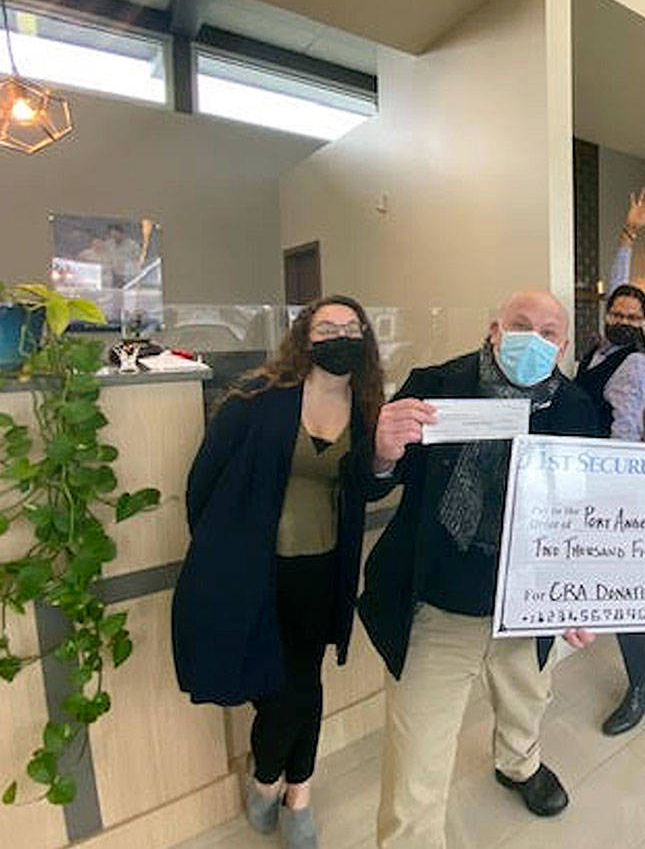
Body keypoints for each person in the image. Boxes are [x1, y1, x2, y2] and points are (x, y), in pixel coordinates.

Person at [361, 290, 599, 849]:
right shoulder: (436, 385)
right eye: (521, 326)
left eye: (548, 332)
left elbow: (584, 514)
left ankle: (518, 766)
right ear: (494, 330)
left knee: (528, 701)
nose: (534, 340)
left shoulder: (575, 410)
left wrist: (579, 596)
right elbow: (375, 484)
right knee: (414, 769)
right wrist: (379, 451)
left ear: (563, 346)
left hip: (525, 603)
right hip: (438, 604)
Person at [172, 296, 385, 849]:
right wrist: (222, 550)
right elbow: (203, 482)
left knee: (302, 681)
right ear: (303, 336)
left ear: (364, 336)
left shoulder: (368, 409)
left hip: (323, 571)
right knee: (279, 687)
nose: (340, 334)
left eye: (350, 326)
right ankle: (274, 780)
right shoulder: (258, 397)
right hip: (255, 571)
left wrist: (387, 462)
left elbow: (370, 485)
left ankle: (292, 790)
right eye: (326, 326)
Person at [574, 188, 645, 736]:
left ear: (643, 323)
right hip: (583, 475)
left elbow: (625, 430)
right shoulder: (595, 349)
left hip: (612, 482)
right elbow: (618, 283)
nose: (624, 318)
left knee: (622, 583)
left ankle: (644, 685)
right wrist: (626, 238)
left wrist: (613, 492)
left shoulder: (632, 365)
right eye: (617, 311)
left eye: (634, 315)